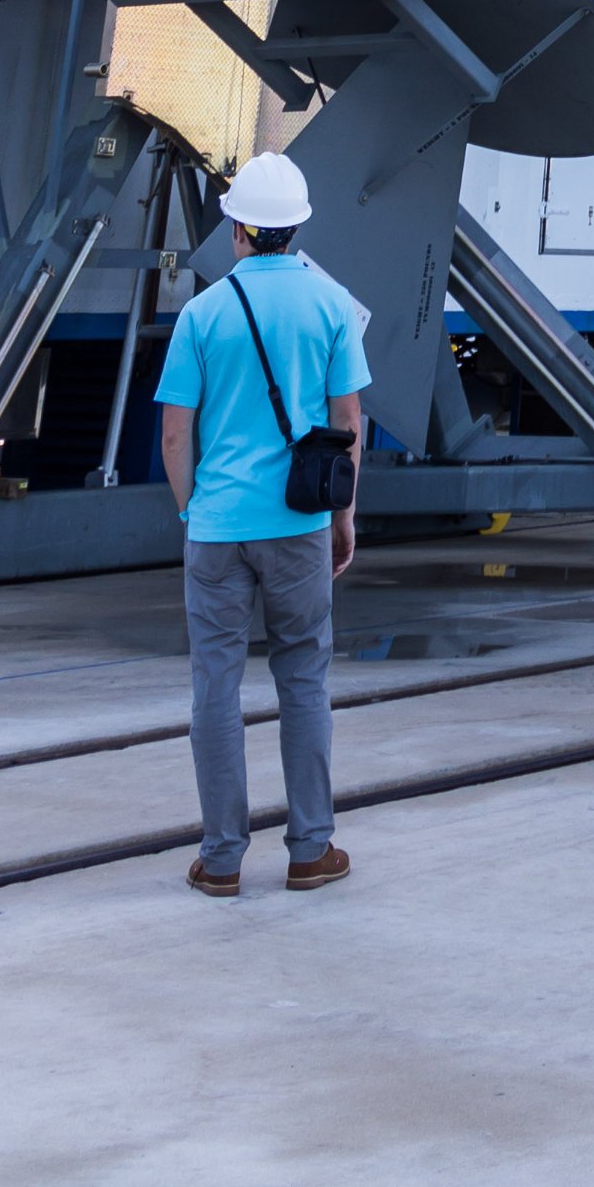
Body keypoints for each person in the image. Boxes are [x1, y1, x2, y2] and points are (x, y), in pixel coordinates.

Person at [155, 148, 369, 899]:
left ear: (238, 229)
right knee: (304, 679)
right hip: (298, 523)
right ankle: (310, 850)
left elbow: (175, 436)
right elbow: (347, 423)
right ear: (298, 228)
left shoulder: (202, 313)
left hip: (216, 528)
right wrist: (342, 515)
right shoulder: (332, 305)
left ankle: (220, 859)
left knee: (214, 686)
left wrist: (193, 508)